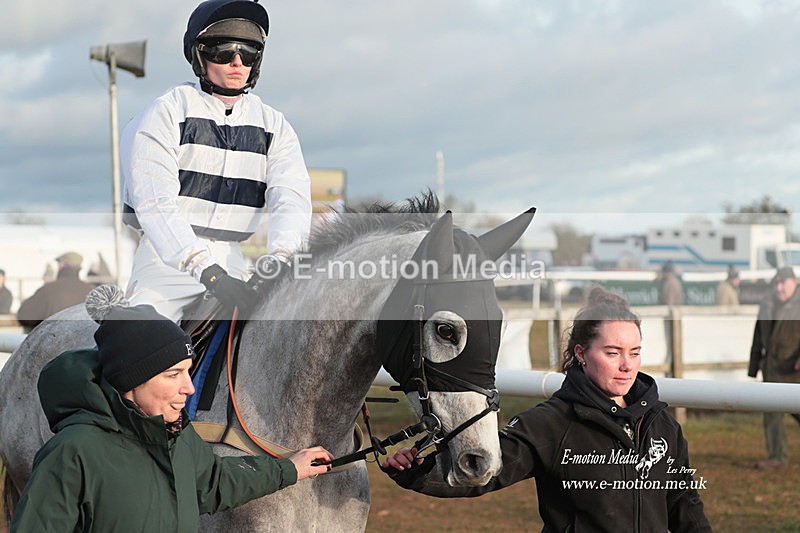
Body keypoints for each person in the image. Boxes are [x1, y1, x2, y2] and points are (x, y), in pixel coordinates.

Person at [384, 288, 711, 532]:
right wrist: (418, 471)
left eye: (635, 352)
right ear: (581, 354)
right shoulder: (552, 423)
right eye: (613, 353)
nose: (627, 365)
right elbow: (486, 471)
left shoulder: (661, 423)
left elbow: (685, 504)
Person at [11, 288, 332, 531]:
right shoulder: (71, 454)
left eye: (187, 372)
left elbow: (213, 481)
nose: (189, 388)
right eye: (173, 375)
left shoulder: (176, 436)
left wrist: (289, 469)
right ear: (132, 379)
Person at [120, 0, 312, 323]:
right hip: (165, 267)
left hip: (235, 262)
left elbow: (291, 202)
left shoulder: (275, 125)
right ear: (200, 55)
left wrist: (279, 262)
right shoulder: (164, 113)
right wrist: (207, 272)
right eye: (224, 51)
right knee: (142, 341)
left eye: (248, 52)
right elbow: (155, 205)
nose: (237, 62)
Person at [747, 266, 800, 468]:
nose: (779, 288)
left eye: (783, 283)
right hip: (771, 369)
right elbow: (758, 336)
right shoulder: (767, 305)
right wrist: (753, 367)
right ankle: (777, 457)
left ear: (794, 282)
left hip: (794, 372)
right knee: (772, 415)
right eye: (776, 283)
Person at [16, 252, 95, 332]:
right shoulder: (92, 291)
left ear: (61, 265)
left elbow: (24, 316)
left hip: (54, 337)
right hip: (86, 338)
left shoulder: (48, 290)